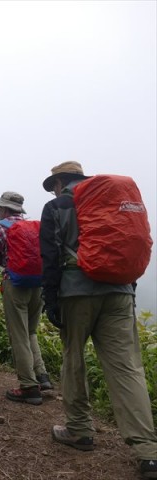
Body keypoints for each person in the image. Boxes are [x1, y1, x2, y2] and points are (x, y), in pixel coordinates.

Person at [40, 161, 157, 478]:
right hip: (120, 292)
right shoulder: (109, 201)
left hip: (76, 292)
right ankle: (148, 452)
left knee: (73, 358)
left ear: (61, 181)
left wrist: (49, 300)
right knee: (127, 367)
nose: (54, 190)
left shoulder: (57, 206)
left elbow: (50, 257)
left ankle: (79, 430)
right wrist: (128, 287)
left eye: (54, 185)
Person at [0, 191, 52, 406]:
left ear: (4, 209)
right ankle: (42, 376)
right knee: (30, 331)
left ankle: (29, 387)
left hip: (16, 285)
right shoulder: (35, 227)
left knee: (19, 335)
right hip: (39, 285)